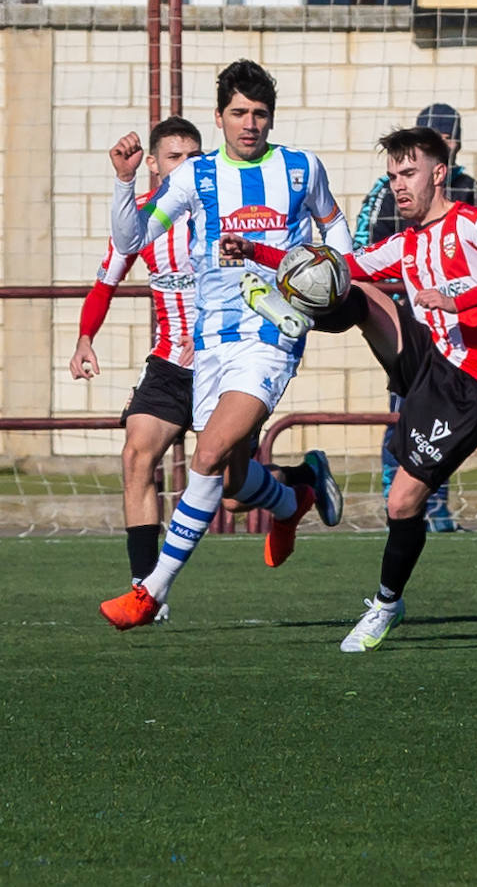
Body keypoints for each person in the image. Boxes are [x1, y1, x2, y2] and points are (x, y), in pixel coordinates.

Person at [222, 126, 477, 652]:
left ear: (439, 174)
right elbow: (338, 266)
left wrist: (459, 300)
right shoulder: (406, 243)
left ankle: (387, 603)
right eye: (392, 176)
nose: (398, 185)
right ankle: (294, 312)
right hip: (433, 362)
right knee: (354, 284)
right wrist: (254, 250)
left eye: (408, 173)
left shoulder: (474, 223)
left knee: (401, 503)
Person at [98, 59, 349, 630]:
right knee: (232, 484)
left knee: (205, 458)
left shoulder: (300, 169)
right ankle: (296, 494)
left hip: (272, 336)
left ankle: (150, 592)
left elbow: (337, 230)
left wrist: (328, 276)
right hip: (211, 342)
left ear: (271, 118)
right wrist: (123, 182)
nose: (250, 123)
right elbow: (133, 238)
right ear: (219, 117)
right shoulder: (195, 177)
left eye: (260, 114)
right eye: (239, 113)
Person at [70, 116, 200, 624]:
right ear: (153, 163)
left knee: (232, 492)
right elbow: (105, 283)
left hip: (221, 365)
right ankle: (147, 591)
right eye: (174, 158)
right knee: (135, 456)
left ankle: (297, 483)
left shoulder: (221, 214)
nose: (185, 167)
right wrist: (85, 338)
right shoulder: (145, 219)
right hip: (168, 365)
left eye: (194, 158)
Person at [355, 103, 477, 533]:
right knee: (405, 416)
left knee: (444, 430)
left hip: (466, 339)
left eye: (450, 138)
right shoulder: (385, 191)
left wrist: (462, 297)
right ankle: (396, 504)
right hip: (414, 329)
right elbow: (364, 249)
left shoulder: (470, 193)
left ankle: (436, 507)